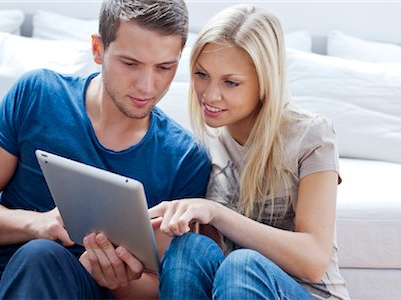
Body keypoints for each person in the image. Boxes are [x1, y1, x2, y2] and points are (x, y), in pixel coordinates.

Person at [0, 0, 210, 299]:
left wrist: (117, 280)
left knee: (41, 257)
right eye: (130, 64)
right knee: (37, 252)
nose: (147, 86)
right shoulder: (38, 94)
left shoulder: (185, 158)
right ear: (98, 49)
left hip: (83, 292)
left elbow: (168, 286)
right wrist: (37, 223)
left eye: (164, 67)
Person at [149, 4, 350, 300]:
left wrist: (216, 213)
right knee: (188, 248)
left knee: (244, 265)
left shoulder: (312, 135)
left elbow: (314, 261)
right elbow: (205, 262)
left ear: (265, 82)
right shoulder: (204, 146)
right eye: (202, 74)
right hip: (234, 290)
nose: (209, 94)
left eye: (231, 82)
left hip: (310, 294)